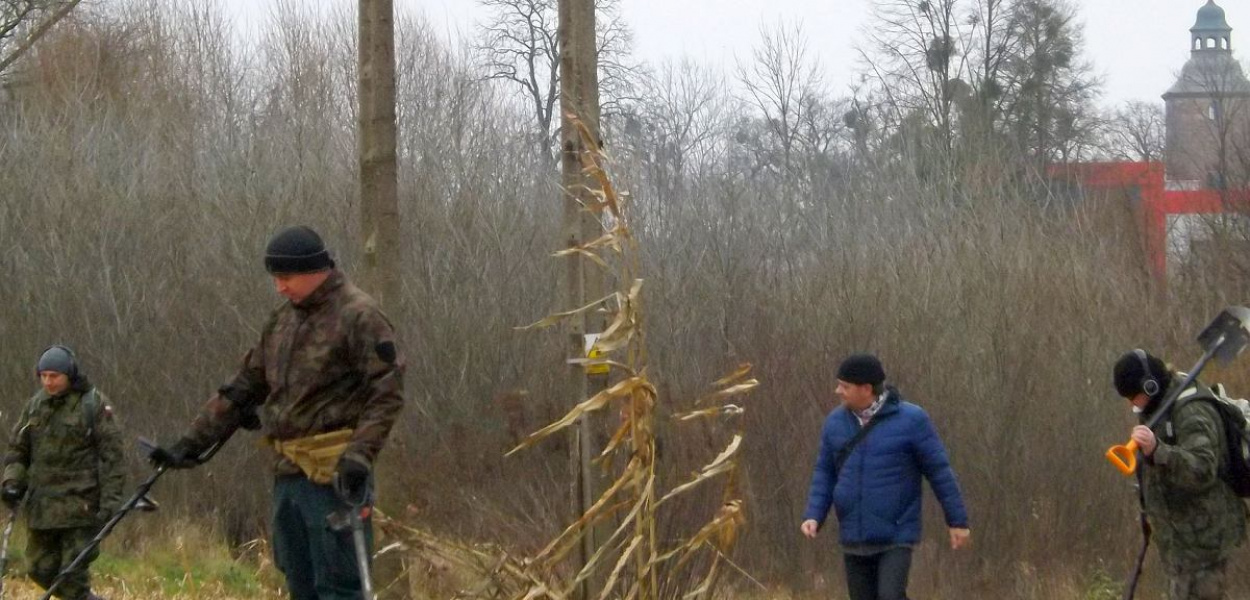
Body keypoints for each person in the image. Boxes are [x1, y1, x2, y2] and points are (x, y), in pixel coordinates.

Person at [149, 225, 406, 600]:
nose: (280, 287)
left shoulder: (361, 316)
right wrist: (191, 442)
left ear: (315, 270)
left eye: (286, 278)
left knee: (339, 584)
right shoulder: (281, 321)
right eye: (276, 278)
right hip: (287, 473)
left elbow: (386, 392)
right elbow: (245, 386)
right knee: (298, 578)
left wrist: (359, 456)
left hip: (334, 474)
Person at [800, 353, 970, 600]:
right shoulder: (835, 423)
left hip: (896, 533)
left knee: (890, 595)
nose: (837, 391)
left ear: (866, 389)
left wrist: (958, 521)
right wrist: (814, 515)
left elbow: (939, 472)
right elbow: (825, 472)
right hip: (853, 533)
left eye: (844, 386)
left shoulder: (912, 420)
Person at [1112, 349, 1247, 600]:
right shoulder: (1159, 405)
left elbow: (1203, 470)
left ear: (1150, 386)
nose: (1132, 404)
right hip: (1182, 544)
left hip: (1206, 542)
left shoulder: (1191, 412)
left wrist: (1158, 451)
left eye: (1134, 397)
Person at [2, 346, 124, 600]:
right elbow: (18, 450)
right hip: (42, 508)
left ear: (69, 375)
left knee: (71, 575)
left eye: (54, 376)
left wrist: (111, 504)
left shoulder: (92, 405)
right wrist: (12, 481)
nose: (48, 382)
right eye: (43, 376)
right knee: (39, 569)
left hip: (80, 507)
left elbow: (112, 458)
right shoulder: (35, 407)